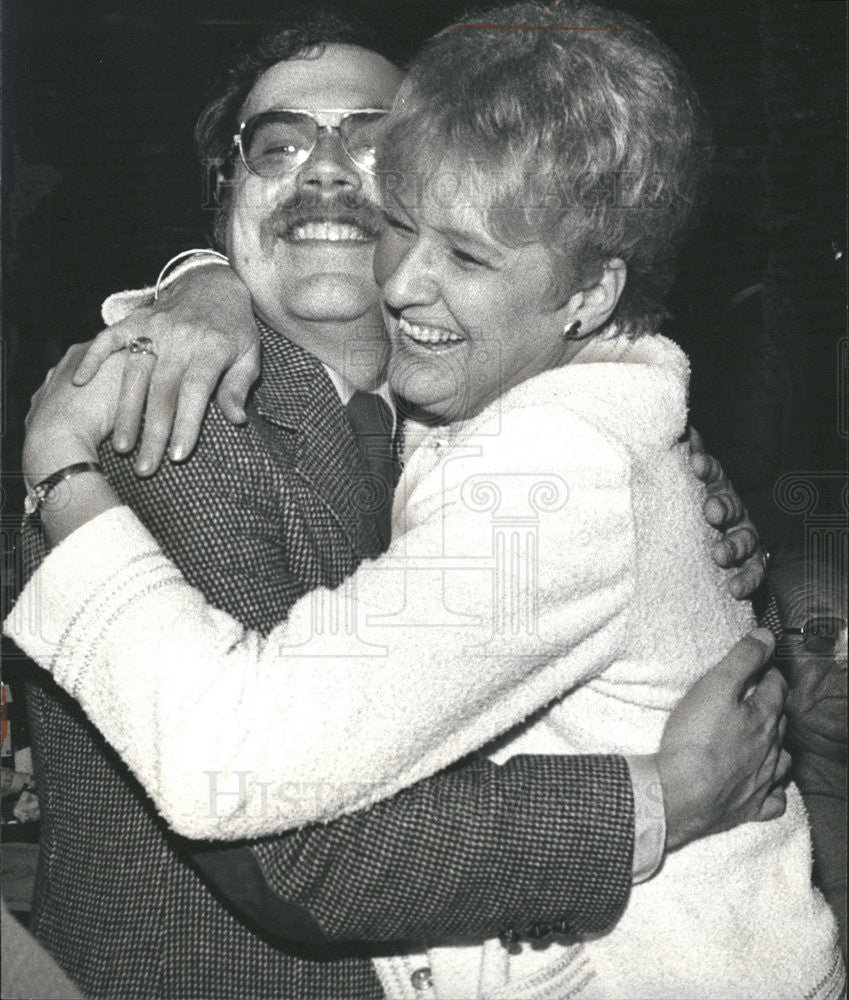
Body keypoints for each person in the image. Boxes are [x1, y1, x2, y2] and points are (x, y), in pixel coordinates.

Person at [9, 2, 836, 997]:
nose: (322, 171)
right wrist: (661, 799)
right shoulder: (178, 416)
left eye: (371, 140)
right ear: (223, 200)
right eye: (276, 145)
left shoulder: (477, 427)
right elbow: (291, 844)